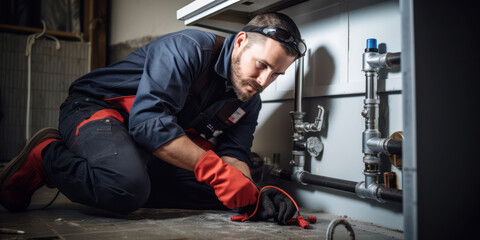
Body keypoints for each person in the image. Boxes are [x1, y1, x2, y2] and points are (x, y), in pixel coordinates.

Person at [0, 12, 306, 223]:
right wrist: (216, 171)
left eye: (276, 74)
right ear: (240, 42)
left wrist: (252, 195)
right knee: (125, 188)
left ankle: (133, 177)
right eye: (262, 65)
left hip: (147, 140)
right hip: (96, 109)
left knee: (224, 197)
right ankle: (47, 157)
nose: (264, 81)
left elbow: (234, 155)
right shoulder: (188, 49)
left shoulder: (248, 99)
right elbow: (149, 123)